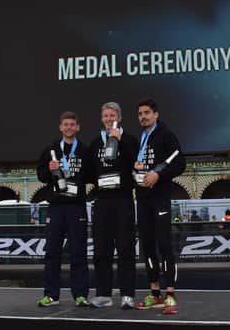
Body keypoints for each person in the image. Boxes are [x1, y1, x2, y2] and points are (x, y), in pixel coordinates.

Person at [133, 99, 186, 314]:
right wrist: (138, 169)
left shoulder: (166, 134)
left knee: (164, 243)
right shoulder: (142, 138)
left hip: (160, 198)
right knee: (147, 245)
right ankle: (154, 293)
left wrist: (158, 173)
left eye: (147, 113)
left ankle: (170, 295)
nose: (143, 116)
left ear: (156, 114)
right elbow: (146, 164)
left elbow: (179, 163)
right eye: (140, 113)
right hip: (143, 198)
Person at [35, 111, 90, 307]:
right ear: (60, 127)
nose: (69, 127)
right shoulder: (50, 149)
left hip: (76, 207)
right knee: (52, 252)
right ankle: (51, 295)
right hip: (56, 207)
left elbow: (91, 175)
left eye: (72, 124)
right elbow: (40, 175)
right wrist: (50, 170)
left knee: (79, 252)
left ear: (77, 127)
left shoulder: (84, 150)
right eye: (65, 124)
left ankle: (81, 295)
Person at [88, 102, 138, 309]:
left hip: (123, 199)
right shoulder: (94, 143)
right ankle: (103, 295)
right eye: (105, 116)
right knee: (101, 250)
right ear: (102, 119)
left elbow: (135, 161)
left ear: (119, 117)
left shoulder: (130, 139)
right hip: (102, 202)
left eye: (112, 115)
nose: (109, 119)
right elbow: (90, 173)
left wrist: (119, 142)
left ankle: (127, 295)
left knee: (126, 248)